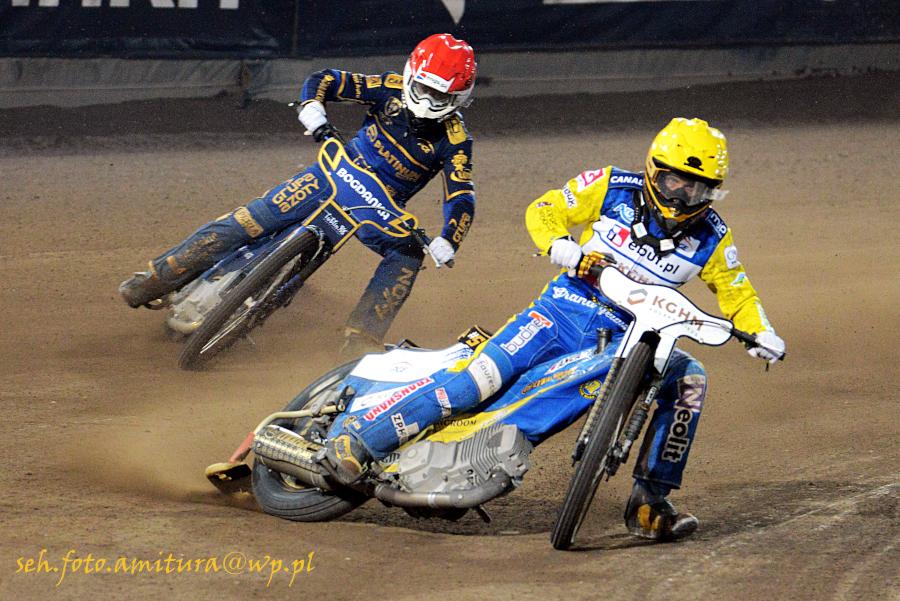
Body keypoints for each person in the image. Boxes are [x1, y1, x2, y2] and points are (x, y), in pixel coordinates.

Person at [322, 117, 786, 541]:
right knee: (475, 381)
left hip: (629, 341)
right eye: (675, 182)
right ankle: (359, 438)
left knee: (690, 379)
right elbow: (545, 208)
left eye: (698, 189)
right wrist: (559, 243)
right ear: (653, 171)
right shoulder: (611, 185)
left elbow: (738, 294)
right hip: (559, 313)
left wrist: (761, 332)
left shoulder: (713, 236)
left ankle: (650, 501)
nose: (684, 196)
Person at [119, 34, 477, 356]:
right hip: (332, 173)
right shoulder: (388, 87)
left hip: (377, 210)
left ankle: (361, 338)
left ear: (459, 97)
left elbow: (461, 196)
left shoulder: (456, 141)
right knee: (249, 221)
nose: (428, 101)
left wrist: (449, 239)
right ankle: (156, 280)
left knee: (409, 251)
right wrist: (312, 107)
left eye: (439, 96)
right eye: (424, 89)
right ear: (411, 74)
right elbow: (326, 79)